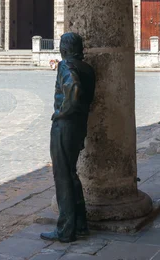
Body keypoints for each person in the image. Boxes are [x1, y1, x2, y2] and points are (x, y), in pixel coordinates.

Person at [41, 32, 96, 243]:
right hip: (79, 124)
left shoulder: (66, 66)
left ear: (64, 49)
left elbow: (73, 89)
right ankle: (80, 224)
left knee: (62, 176)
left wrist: (61, 113)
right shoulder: (88, 68)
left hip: (65, 126)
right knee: (71, 175)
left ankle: (65, 229)